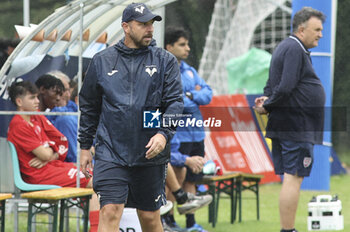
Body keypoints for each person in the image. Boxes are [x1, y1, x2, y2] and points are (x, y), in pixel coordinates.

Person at [78, 3, 183, 232]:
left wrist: (163, 134)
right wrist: (85, 146)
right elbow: (89, 106)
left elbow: (174, 103)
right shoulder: (102, 60)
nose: (150, 29)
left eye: (151, 24)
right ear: (126, 26)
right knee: (110, 211)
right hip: (111, 152)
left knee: (149, 217)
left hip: (150, 152)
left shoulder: (165, 60)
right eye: (142, 24)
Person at [254, 7, 326, 232]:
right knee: (293, 178)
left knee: (292, 177)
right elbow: (285, 87)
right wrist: (269, 104)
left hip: (291, 124)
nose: (320, 34)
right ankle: (288, 230)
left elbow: (272, 84)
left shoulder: (287, 47)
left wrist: (267, 100)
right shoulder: (294, 48)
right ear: (302, 29)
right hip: (296, 125)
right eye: (317, 29)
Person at [6, 81, 100, 232]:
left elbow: (62, 140)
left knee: (100, 176)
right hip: (38, 175)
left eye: (37, 97)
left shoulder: (37, 117)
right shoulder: (19, 124)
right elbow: (45, 152)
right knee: (98, 182)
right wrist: (50, 152)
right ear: (19, 101)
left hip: (52, 167)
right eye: (32, 98)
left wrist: (51, 153)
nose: (37, 101)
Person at [164, 26, 213, 232]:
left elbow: (208, 95)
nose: (188, 49)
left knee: (192, 176)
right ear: (169, 46)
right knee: (175, 176)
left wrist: (191, 95)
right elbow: (176, 104)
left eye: (187, 44)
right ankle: (169, 220)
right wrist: (193, 96)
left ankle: (191, 223)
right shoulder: (165, 70)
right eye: (182, 45)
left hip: (196, 133)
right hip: (179, 134)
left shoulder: (190, 71)